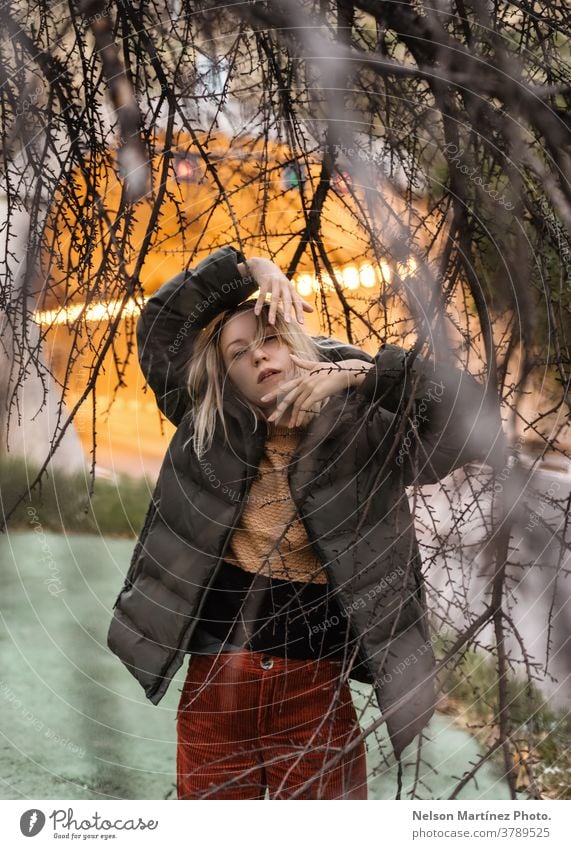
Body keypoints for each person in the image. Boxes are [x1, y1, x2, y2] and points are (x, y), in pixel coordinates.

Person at [107, 246, 504, 800]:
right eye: (239, 352)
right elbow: (161, 326)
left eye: (270, 339)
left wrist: (365, 377)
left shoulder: (369, 431)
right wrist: (251, 271)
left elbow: (473, 424)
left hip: (313, 692)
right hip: (215, 686)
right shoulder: (210, 423)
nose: (259, 358)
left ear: (298, 345)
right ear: (226, 374)